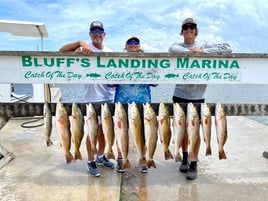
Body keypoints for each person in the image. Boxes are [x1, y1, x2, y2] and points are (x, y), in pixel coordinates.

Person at [169, 17, 232, 180]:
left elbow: (227, 48)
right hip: (179, 94)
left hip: (198, 97)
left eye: (192, 27)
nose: (188, 29)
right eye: (185, 27)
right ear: (181, 31)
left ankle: (194, 161)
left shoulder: (205, 45)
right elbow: (172, 49)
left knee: (195, 132)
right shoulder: (178, 46)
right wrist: (191, 53)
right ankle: (184, 156)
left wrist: (203, 52)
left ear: (196, 30)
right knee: (182, 131)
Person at [59, 20, 115, 177]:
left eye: (100, 32)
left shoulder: (110, 52)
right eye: (94, 32)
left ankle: (101, 156)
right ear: (90, 34)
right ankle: (90, 161)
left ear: (104, 35)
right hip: (91, 98)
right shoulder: (84, 49)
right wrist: (79, 42)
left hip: (109, 98)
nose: (97, 34)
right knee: (92, 132)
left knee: (105, 131)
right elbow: (61, 51)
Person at [112, 36, 157, 173]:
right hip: (122, 102)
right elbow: (110, 84)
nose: (133, 44)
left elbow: (155, 83)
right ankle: (121, 159)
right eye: (130, 42)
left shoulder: (147, 63)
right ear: (125, 46)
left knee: (143, 133)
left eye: (136, 42)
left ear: (139, 46)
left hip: (143, 102)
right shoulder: (117, 62)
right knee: (121, 131)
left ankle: (142, 159)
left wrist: (153, 73)